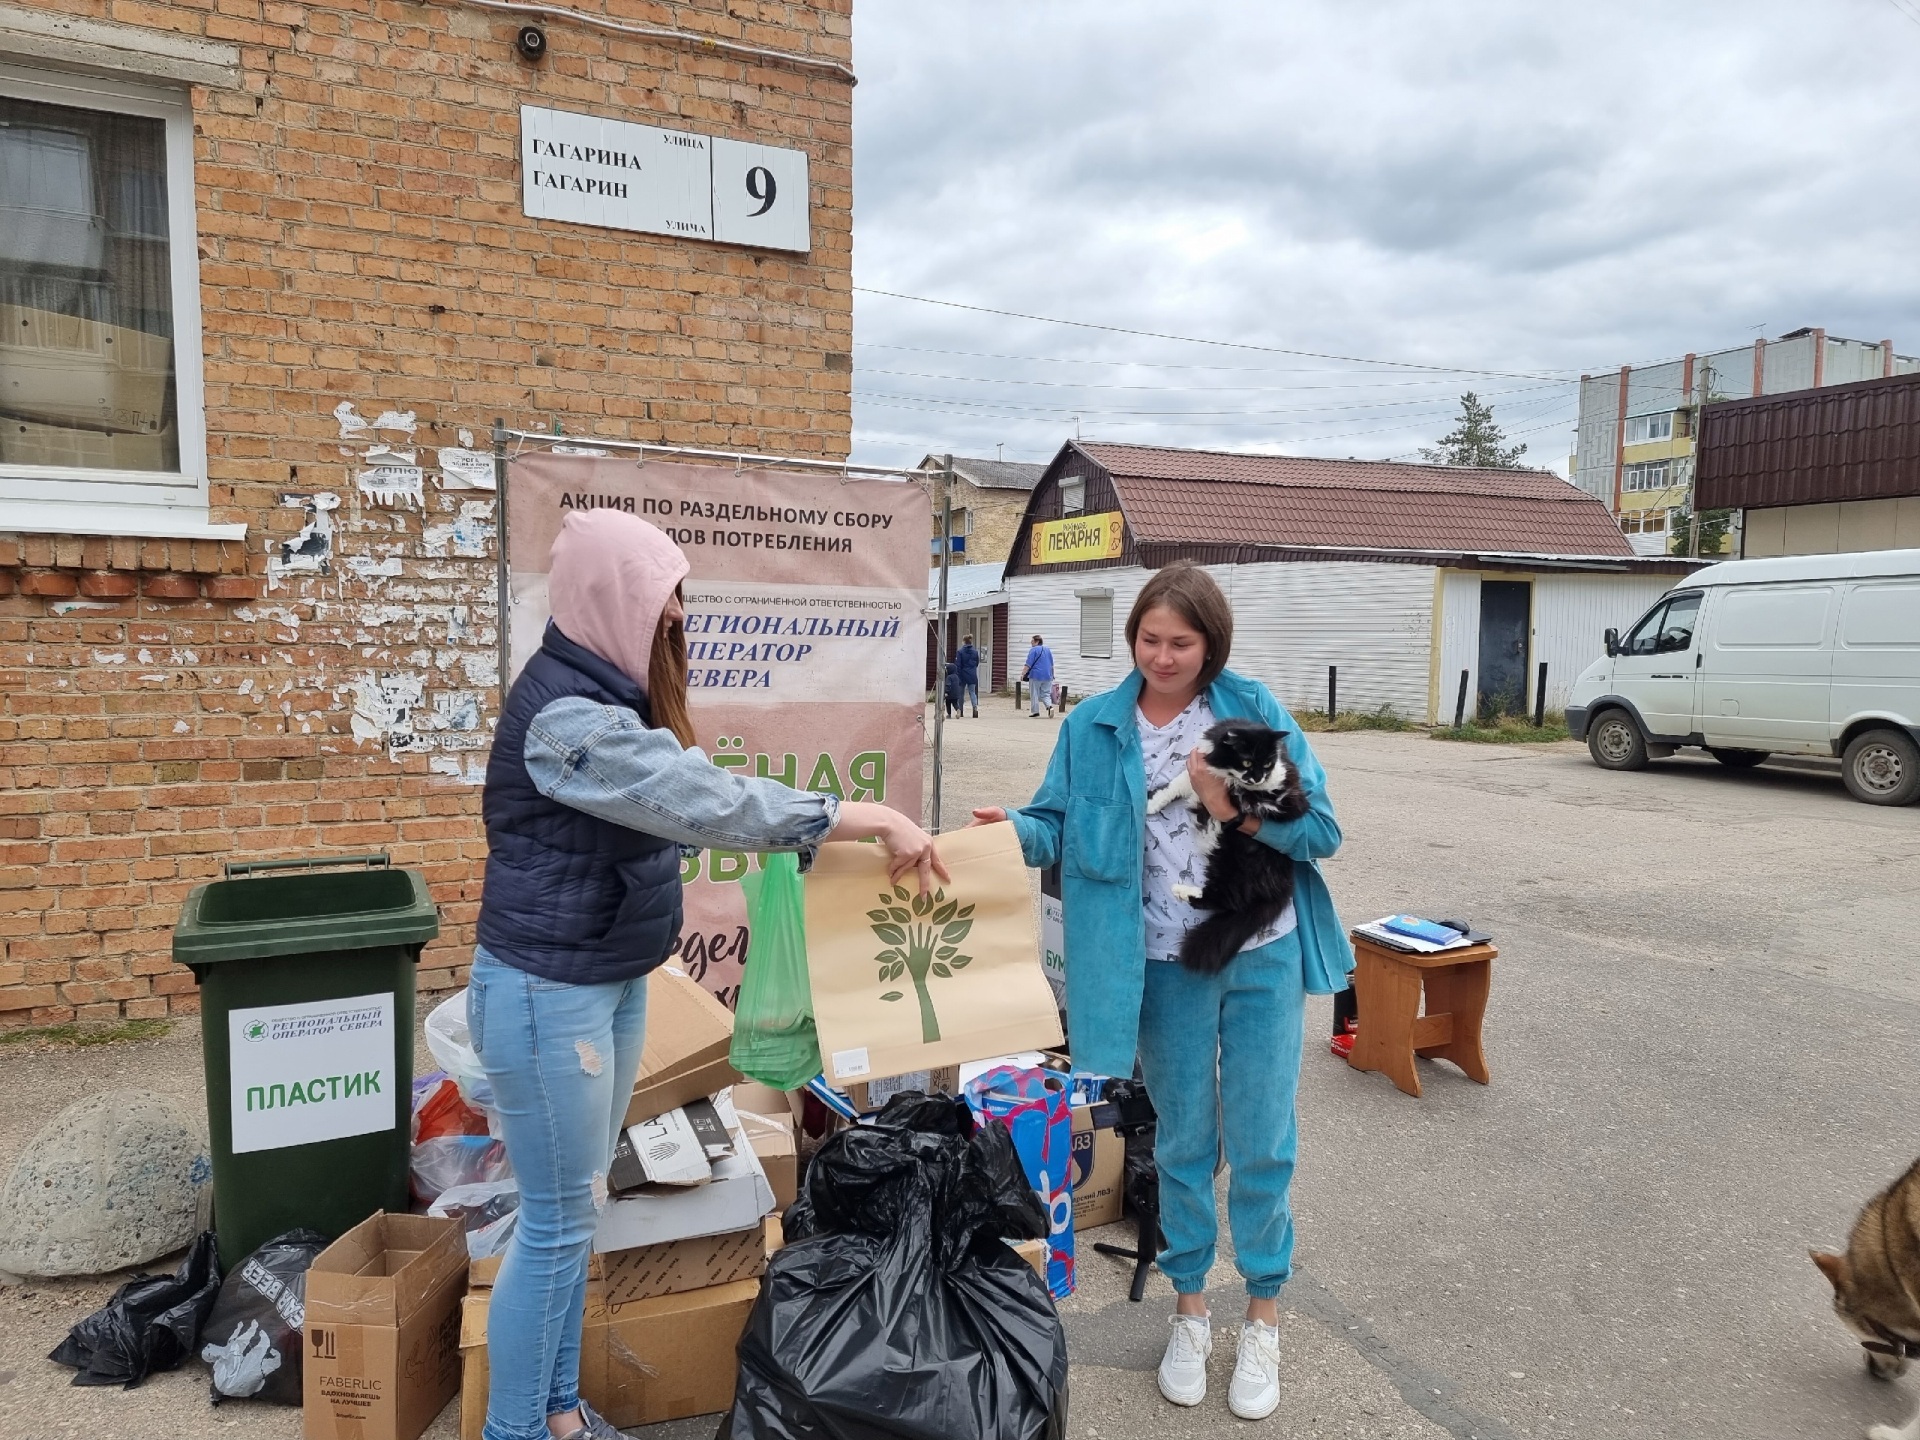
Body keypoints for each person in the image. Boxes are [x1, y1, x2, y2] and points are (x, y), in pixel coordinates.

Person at [472, 509, 946, 1440]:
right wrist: (860, 817)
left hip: (598, 981)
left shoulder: (609, 697)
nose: (678, 617)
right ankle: (518, 1430)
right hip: (546, 996)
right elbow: (706, 800)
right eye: (662, 600)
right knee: (557, 1225)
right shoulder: (571, 719)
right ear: (614, 601)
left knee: (578, 1211)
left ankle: (557, 1411)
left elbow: (693, 800)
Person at [971, 562, 1351, 1423]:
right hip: (1159, 964)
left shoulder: (1250, 711)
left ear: (1211, 644)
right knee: (1183, 1140)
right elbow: (1055, 826)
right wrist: (1009, 833)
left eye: (1182, 643)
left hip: (1261, 950)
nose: (1164, 656)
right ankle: (1189, 1307)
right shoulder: (1093, 725)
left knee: (1261, 1138)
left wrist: (1238, 808)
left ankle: (1262, 1313)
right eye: (1150, 639)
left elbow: (1322, 829)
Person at [1021, 633, 1056, 718]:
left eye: (1032, 641)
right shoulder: (1048, 650)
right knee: (1046, 693)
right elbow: (1051, 664)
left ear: (1037, 641)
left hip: (1036, 675)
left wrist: (1023, 673)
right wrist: (1052, 675)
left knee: (1034, 693)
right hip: (1048, 675)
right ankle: (1049, 706)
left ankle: (1035, 712)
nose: (1031, 643)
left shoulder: (1033, 650)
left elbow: (1028, 663)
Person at [955, 636, 981, 717]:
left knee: (961, 693)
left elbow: (958, 665)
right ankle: (975, 708)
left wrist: (958, 674)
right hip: (972, 674)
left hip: (962, 674)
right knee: (972, 692)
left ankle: (961, 710)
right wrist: (972, 669)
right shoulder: (975, 652)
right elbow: (977, 663)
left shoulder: (960, 651)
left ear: (963, 641)